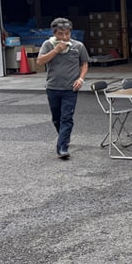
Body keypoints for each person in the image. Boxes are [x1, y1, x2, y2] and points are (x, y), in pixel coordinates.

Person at [36, 17, 90, 160]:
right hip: (53, 87)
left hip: (70, 88)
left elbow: (84, 64)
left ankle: (62, 147)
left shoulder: (78, 46)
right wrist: (56, 50)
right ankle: (64, 136)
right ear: (54, 33)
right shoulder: (48, 45)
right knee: (56, 118)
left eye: (67, 33)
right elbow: (40, 61)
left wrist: (81, 79)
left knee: (67, 118)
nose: (65, 37)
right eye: (60, 34)